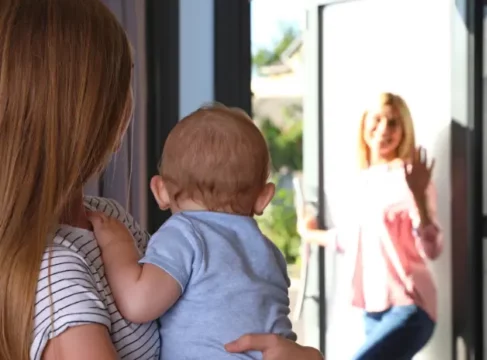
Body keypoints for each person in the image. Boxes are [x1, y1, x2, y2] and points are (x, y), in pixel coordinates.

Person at [0, 1, 322, 360]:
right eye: (124, 81)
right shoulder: (55, 273)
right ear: (87, 108)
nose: (130, 102)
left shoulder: (107, 217)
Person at [88, 105, 296, 359]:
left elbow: (138, 303)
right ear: (263, 198)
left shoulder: (184, 234)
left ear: (160, 190)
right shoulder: (269, 253)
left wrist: (117, 245)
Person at [299, 92, 442, 360]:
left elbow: (432, 248)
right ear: (364, 123)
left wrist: (420, 198)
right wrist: (308, 233)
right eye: (377, 120)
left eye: (393, 123)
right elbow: (351, 240)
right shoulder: (361, 182)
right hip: (371, 309)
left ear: (404, 130)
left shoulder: (409, 177)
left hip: (411, 306)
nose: (384, 130)